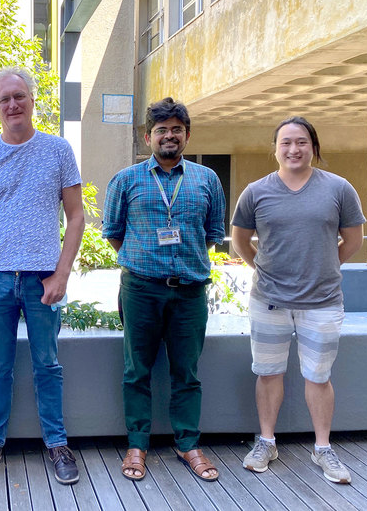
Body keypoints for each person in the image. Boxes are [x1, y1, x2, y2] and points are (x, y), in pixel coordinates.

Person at [0, 66, 85, 486]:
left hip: (43, 280)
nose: (12, 104)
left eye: (19, 96)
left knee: (48, 364)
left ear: (33, 99)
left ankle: (56, 443)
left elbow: (76, 216)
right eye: (4, 99)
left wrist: (62, 274)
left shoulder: (58, 150)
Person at [232, 116, 365, 484]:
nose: (294, 149)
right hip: (269, 300)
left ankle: (323, 448)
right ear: (275, 149)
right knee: (268, 372)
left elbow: (353, 240)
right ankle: (266, 442)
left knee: (318, 377)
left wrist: (324, 265)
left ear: (314, 147)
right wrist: (262, 266)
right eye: (286, 142)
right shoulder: (256, 191)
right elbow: (241, 240)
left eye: (302, 142)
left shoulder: (339, 189)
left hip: (322, 301)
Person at [103, 97, 225, 483]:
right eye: (161, 130)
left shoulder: (207, 180)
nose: (168, 135)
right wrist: (147, 264)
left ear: (186, 135)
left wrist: (180, 263)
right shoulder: (126, 180)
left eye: (176, 129)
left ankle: (188, 443)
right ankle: (137, 444)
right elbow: (113, 233)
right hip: (141, 290)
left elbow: (212, 234)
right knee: (136, 370)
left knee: (186, 372)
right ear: (147, 136)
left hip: (190, 292)